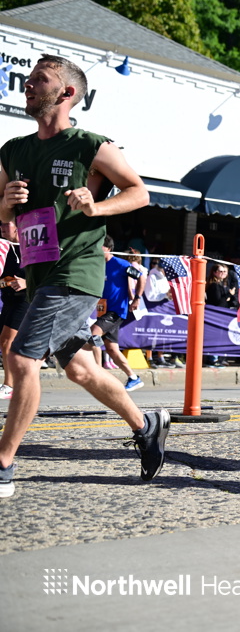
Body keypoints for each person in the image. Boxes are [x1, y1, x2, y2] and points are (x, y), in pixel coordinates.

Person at [0, 54, 169, 497]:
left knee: (22, 360)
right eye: (28, 79)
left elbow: (139, 192)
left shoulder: (90, 145)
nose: (28, 85)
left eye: (40, 79)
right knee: (80, 369)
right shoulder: (13, 150)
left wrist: (97, 207)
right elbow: (2, 217)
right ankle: (146, 424)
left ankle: (3, 464)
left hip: (76, 271)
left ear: (67, 92)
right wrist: (5, 204)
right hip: (39, 271)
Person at [89, 236, 146, 389]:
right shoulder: (98, 264)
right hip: (103, 310)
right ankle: (134, 378)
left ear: (107, 248)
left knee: (93, 333)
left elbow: (141, 278)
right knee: (112, 349)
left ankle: (98, 374)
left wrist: (137, 299)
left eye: (99, 246)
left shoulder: (121, 264)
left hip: (116, 310)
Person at [0, 221, 27, 400]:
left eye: (6, 224)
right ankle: (16, 383)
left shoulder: (30, 247)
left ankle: (10, 385)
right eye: (0, 225)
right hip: (8, 299)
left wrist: (26, 282)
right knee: (5, 342)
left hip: (26, 300)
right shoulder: (3, 248)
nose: (2, 228)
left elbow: (46, 276)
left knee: (7, 340)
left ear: (18, 226)